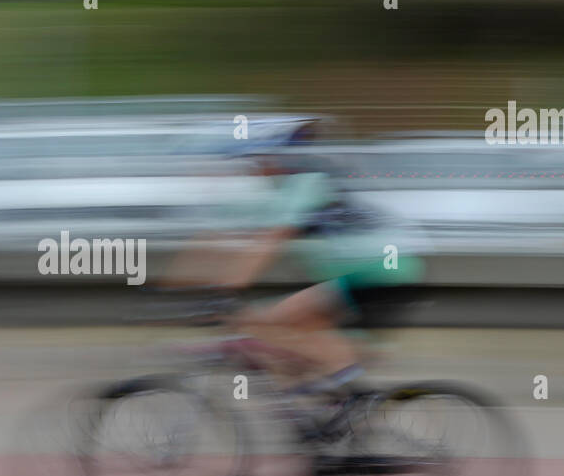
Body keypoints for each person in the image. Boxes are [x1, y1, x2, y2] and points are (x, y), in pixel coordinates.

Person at [162, 124, 424, 390]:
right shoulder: (290, 189)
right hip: (379, 272)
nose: (256, 171)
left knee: (264, 321)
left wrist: (226, 289)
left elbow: (270, 241)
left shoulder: (306, 182)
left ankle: (353, 393)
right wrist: (178, 282)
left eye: (259, 162)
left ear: (277, 159)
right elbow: (222, 236)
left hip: (373, 273)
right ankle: (325, 403)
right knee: (298, 336)